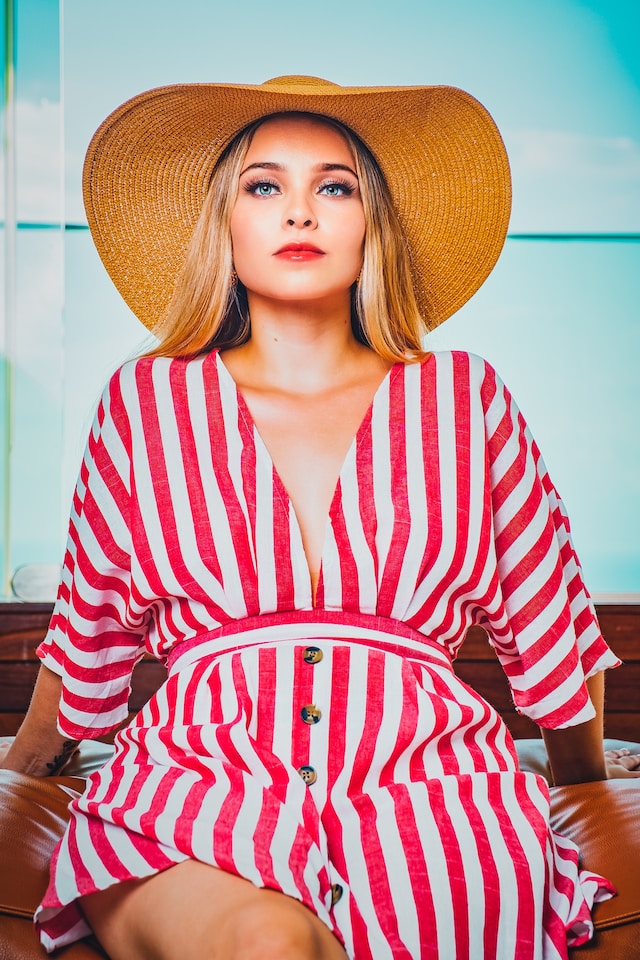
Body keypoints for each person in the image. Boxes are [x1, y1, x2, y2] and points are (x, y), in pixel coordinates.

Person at [2, 75, 639, 960]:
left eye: (333, 187)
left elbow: (552, 629)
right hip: (195, 787)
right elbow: (91, 638)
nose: (298, 213)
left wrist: (585, 796)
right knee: (265, 941)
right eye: (264, 187)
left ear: (370, 220)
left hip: (435, 793)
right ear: (224, 220)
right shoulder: (146, 400)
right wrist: (18, 772)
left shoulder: (466, 395)